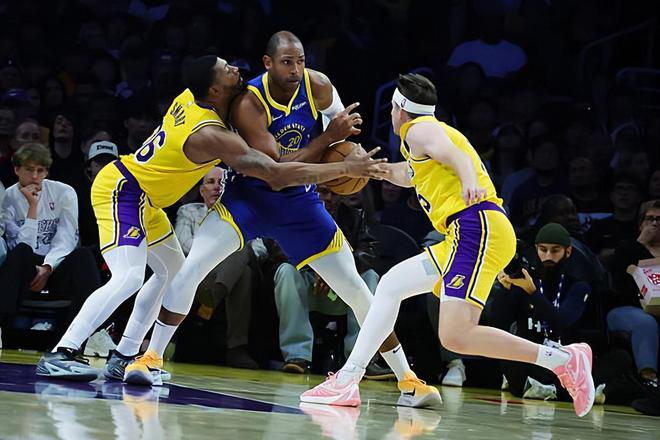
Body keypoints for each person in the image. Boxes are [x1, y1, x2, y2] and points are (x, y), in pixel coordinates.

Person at [120, 32, 435, 408]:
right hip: (250, 199)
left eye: (300, 61)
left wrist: (350, 158)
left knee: (357, 290)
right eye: (287, 62)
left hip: (301, 206)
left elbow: (342, 138)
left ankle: (408, 380)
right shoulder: (249, 103)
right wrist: (329, 145)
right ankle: (151, 357)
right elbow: (276, 172)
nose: (296, 70)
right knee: (191, 270)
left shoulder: (318, 86)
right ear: (268, 63)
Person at [35, 55, 384, 381]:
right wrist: (342, 163)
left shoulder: (193, 97)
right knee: (128, 277)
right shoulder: (211, 135)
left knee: (173, 273)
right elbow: (275, 175)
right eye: (226, 69)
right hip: (123, 190)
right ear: (215, 90)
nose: (235, 69)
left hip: (148, 200)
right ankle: (61, 352)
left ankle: (124, 355)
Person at [300, 73, 595, 418]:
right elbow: (410, 175)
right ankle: (349, 379)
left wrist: (469, 181)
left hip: (475, 227)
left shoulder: (419, 130)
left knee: (456, 335)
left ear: (399, 109)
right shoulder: (424, 138)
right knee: (395, 288)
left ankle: (563, 360)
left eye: (393, 109)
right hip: (466, 233)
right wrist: (373, 170)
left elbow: (456, 157)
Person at [0, 143, 101, 339]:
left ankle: (80, 336)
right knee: (20, 252)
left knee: (84, 256)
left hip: (55, 266)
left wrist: (48, 267)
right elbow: (22, 246)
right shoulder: (8, 198)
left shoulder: (64, 192)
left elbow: (67, 237)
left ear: (46, 171)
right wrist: (32, 207)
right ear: (17, 169)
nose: (35, 176)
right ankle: (2, 327)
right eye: (29, 169)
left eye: (40, 170)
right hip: (24, 270)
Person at [174, 166, 258, 369]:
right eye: (210, 182)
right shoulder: (189, 211)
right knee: (238, 252)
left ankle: (214, 296)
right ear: (201, 190)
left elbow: (260, 249)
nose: (216, 187)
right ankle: (236, 348)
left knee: (242, 255)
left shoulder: (244, 214)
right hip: (201, 272)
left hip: (230, 270)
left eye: (222, 183)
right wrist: (219, 249)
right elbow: (183, 244)